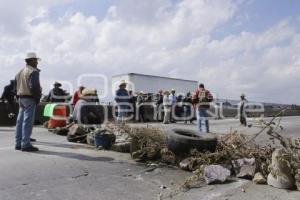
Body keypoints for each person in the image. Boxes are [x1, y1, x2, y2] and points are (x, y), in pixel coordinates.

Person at [15, 52, 42, 151]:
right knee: (28, 122)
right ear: (31, 60)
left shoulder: (20, 71)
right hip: (29, 98)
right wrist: (37, 98)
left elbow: (15, 87)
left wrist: (18, 97)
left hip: (21, 98)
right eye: (35, 60)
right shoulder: (33, 71)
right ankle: (25, 144)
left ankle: (18, 143)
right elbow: (34, 87)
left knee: (20, 121)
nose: (37, 62)